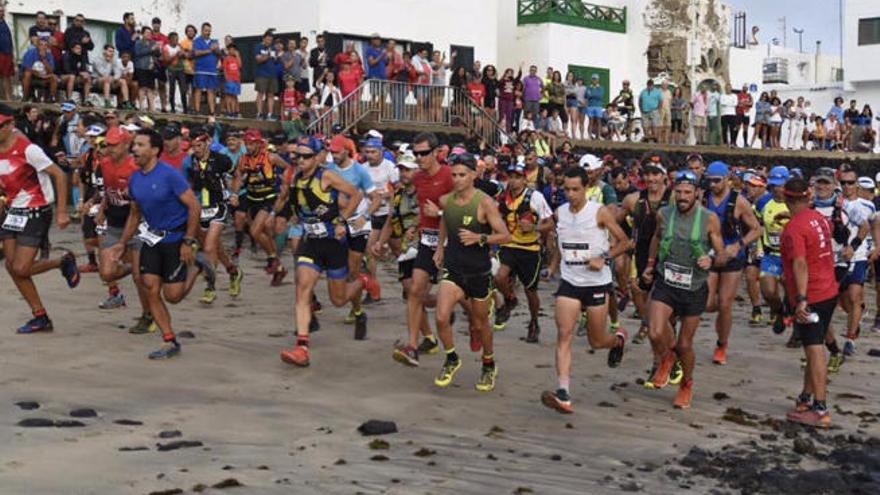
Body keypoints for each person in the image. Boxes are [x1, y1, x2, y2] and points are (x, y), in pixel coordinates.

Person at [107, 129, 206, 359]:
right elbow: (134, 213)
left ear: (154, 150)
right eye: (134, 145)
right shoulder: (135, 179)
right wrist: (122, 243)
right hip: (152, 237)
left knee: (173, 296)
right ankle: (169, 340)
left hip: (176, 237)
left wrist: (188, 241)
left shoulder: (170, 175)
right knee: (149, 286)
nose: (134, 150)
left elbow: (194, 207)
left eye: (140, 145)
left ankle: (198, 266)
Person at [540, 166, 631, 414]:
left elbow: (625, 241)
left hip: (596, 283)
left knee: (597, 340)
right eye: (567, 189)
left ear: (585, 188)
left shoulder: (598, 213)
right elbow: (562, 242)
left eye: (575, 189)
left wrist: (604, 257)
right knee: (564, 334)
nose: (570, 194)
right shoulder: (560, 213)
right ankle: (563, 393)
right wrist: (552, 266)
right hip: (569, 282)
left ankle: (618, 340)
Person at [279, 139, 371, 366]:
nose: (300, 160)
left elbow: (356, 194)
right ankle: (302, 347)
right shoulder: (294, 178)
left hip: (333, 244)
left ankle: (363, 281)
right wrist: (287, 217)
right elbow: (293, 203)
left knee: (338, 300)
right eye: (297, 156)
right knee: (302, 288)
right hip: (311, 242)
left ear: (318, 157)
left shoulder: (326, 176)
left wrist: (342, 220)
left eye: (306, 156)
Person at [642, 170, 727, 409]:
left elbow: (721, 255)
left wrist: (711, 260)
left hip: (693, 288)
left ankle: (686, 384)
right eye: (678, 192)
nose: (682, 197)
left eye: (687, 192)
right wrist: (650, 265)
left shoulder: (709, 218)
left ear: (698, 193)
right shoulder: (664, 214)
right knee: (655, 332)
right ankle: (668, 359)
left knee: (685, 345)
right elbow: (657, 239)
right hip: (666, 283)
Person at [432, 152, 511, 392]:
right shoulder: (447, 200)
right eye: (454, 175)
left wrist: (480, 237)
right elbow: (446, 219)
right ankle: (452, 358)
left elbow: (506, 235)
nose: (456, 179)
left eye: (462, 175)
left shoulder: (485, 203)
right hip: (454, 268)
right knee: (441, 316)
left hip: (478, 273)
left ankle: (488, 364)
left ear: (474, 176)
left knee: (480, 324)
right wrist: (440, 248)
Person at [0, 104, 79, 333]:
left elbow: (59, 175)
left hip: (36, 208)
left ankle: (62, 261)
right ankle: (40, 316)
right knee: (11, 266)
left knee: (22, 268)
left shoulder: (28, 149)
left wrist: (62, 212)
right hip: (13, 210)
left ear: (10, 125)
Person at [392, 132, 453, 366]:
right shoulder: (417, 179)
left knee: (467, 299)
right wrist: (416, 227)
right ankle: (413, 347)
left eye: (424, 153)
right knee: (415, 290)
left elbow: (462, 210)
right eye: (416, 154)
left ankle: (484, 314)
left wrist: (437, 213)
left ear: (436, 152)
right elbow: (421, 210)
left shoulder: (450, 176)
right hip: (427, 241)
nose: (419, 158)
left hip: (451, 243)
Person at [780, 177, 837, 427]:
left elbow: (800, 263)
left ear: (785, 197)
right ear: (808, 196)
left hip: (812, 295)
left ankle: (821, 408)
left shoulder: (794, 227)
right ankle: (806, 397)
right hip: (828, 290)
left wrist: (801, 299)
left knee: (815, 351)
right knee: (811, 348)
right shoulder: (818, 218)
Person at [702, 161, 761, 365]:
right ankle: (721, 321)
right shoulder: (703, 198)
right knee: (708, 304)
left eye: (717, 181)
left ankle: (721, 344)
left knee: (725, 304)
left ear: (727, 179)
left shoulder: (739, 201)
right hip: (710, 254)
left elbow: (756, 229)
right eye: (709, 181)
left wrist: (739, 245)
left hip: (732, 256)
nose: (713, 185)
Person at [493, 161, 553, 341]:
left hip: (530, 249)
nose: (513, 181)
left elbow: (550, 223)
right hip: (509, 245)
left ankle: (534, 322)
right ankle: (510, 299)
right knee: (499, 277)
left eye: (517, 177)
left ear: (525, 180)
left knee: (530, 291)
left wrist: (534, 227)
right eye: (510, 177)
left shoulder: (535, 197)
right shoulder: (502, 197)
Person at [184, 128, 243, 303]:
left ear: (208, 143)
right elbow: (186, 183)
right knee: (216, 247)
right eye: (193, 146)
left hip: (219, 207)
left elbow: (238, 175)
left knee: (209, 248)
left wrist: (234, 194)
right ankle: (233, 272)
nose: (196, 149)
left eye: (200, 145)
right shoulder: (189, 162)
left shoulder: (221, 160)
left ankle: (210, 287)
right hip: (201, 209)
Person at [231, 129, 289, 284]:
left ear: (258, 143)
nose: (249, 147)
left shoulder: (271, 157)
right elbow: (238, 177)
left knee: (254, 231)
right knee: (266, 234)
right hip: (252, 198)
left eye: (251, 144)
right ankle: (279, 268)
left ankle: (271, 259)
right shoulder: (243, 159)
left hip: (268, 197)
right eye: (247, 144)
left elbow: (289, 169)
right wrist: (234, 194)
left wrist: (285, 183)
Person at [755, 166, 791, 335]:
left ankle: (796, 330)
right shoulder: (763, 202)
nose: (778, 189)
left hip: (791, 256)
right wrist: (755, 245)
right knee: (768, 291)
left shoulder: (795, 202)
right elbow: (754, 223)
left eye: (781, 185)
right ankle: (779, 311)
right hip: (771, 254)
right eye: (775, 185)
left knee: (792, 291)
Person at [192, 23, 220, 115]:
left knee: (211, 90)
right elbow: (196, 53)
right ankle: (197, 110)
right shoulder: (197, 41)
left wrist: (216, 50)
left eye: (209, 30)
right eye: (206, 30)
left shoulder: (214, 41)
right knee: (198, 89)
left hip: (212, 70)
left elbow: (220, 54)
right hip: (200, 69)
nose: (208, 32)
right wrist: (210, 50)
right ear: (202, 30)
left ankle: (212, 111)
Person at [254, 30, 278, 120]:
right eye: (267, 39)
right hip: (261, 74)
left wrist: (276, 58)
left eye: (271, 40)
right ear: (264, 39)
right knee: (260, 93)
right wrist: (268, 55)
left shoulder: (274, 48)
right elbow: (258, 59)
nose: (269, 41)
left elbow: (275, 61)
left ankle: (270, 114)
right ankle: (259, 113)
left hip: (272, 74)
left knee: (271, 94)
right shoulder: (258, 47)